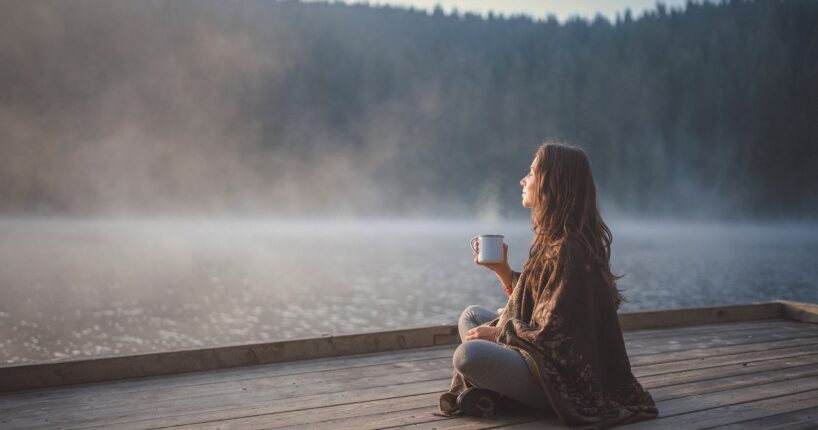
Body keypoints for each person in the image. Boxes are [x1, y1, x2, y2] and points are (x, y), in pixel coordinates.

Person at [437, 142, 659, 428]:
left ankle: (502, 392)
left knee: (469, 355)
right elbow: (540, 302)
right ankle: (500, 386)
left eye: (531, 172)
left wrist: (499, 333)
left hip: (567, 382)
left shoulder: (571, 249)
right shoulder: (554, 239)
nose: (523, 179)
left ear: (552, 183)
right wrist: (502, 271)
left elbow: (557, 337)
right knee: (471, 316)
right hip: (540, 357)